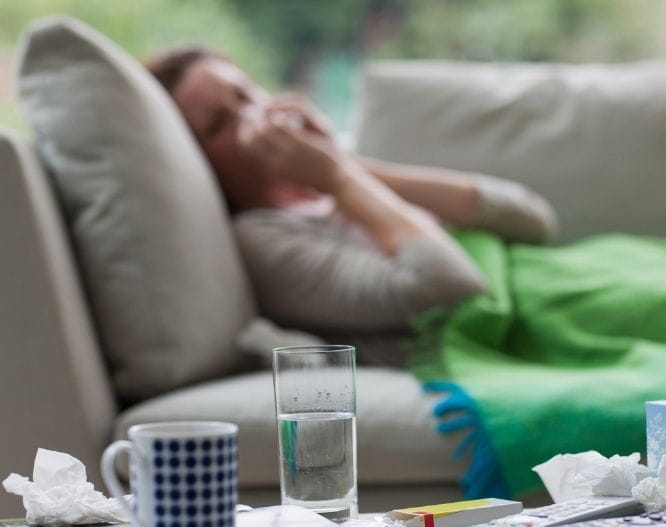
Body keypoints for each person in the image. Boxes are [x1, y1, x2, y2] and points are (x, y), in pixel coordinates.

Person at [146, 47, 558, 365]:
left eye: (245, 93)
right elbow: (453, 291)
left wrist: (343, 168)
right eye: (219, 124)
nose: (253, 116)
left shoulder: (341, 183)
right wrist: (338, 178)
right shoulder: (261, 239)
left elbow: (532, 218)